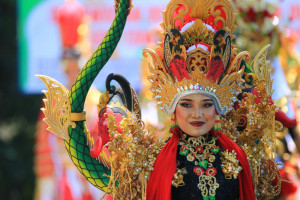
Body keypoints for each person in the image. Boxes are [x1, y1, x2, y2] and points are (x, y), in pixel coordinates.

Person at [37, 0, 295, 199]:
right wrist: (118, 24)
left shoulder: (242, 157)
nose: (197, 114)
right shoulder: (148, 161)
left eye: (206, 104)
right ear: (171, 108)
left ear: (219, 108)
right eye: (186, 104)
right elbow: (91, 164)